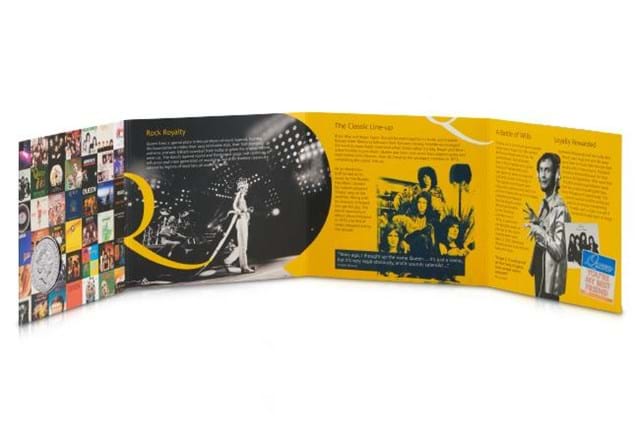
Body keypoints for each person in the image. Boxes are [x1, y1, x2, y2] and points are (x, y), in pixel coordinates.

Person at [525, 153, 571, 301]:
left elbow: (559, 251)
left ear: (556, 174)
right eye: (540, 170)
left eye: (547, 170)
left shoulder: (560, 209)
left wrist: (540, 232)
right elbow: (549, 229)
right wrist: (538, 222)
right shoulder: (545, 203)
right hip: (540, 270)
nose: (543, 175)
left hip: (549, 279)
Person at [224, 178, 254, 273]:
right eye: (245, 187)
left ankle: (228, 261)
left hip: (244, 221)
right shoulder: (239, 195)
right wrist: (240, 211)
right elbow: (234, 206)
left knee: (243, 245)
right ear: (241, 188)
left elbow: (242, 209)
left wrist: (247, 212)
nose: (246, 189)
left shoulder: (243, 197)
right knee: (243, 245)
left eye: (246, 188)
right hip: (241, 221)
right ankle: (244, 267)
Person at [393, 192, 436, 257]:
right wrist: (402, 241)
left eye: (424, 203)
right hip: (409, 246)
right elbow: (395, 220)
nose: (421, 205)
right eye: (419, 202)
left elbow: (433, 240)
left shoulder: (431, 219)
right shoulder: (410, 216)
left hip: (424, 248)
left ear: (428, 205)